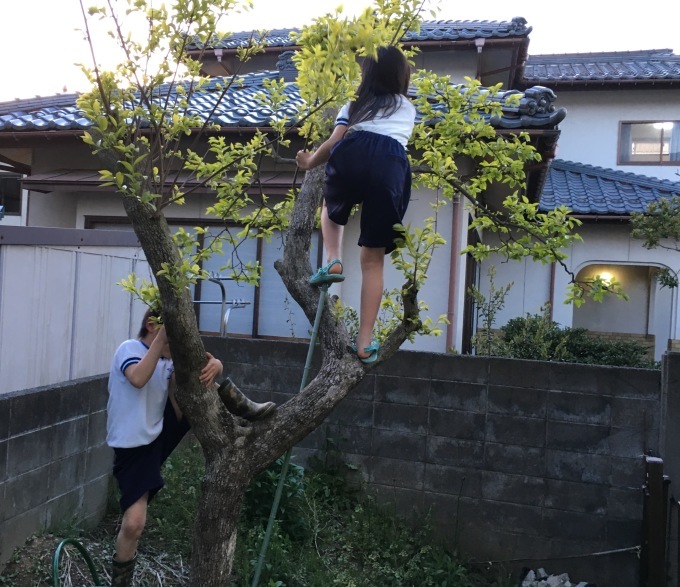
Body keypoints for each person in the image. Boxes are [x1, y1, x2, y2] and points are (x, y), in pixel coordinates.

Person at [107, 309, 275, 586]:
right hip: (132, 446)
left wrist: (216, 365)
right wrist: (163, 339)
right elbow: (137, 379)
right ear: (152, 327)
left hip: (156, 435)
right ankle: (121, 579)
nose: (177, 347)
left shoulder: (166, 363)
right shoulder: (129, 349)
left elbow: (201, 367)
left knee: (195, 379)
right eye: (173, 338)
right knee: (134, 524)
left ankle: (243, 409)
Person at [296, 45, 416, 364]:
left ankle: (334, 260)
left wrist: (309, 162)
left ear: (367, 76)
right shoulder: (407, 107)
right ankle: (364, 343)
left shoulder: (354, 104)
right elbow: (391, 138)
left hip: (354, 151)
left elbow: (336, 141)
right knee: (373, 259)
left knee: (332, 206)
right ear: (401, 78)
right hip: (391, 164)